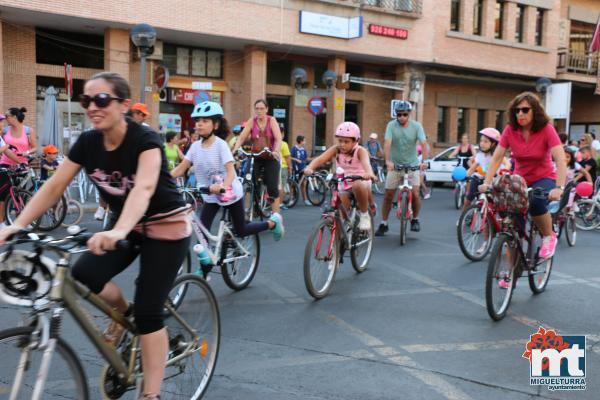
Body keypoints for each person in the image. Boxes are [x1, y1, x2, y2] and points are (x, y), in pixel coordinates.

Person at [0, 72, 191, 400]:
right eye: (86, 100)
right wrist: (18, 225)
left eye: (101, 99)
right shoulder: (87, 143)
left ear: (124, 105)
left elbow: (144, 188)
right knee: (84, 272)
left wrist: (117, 229)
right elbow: (55, 185)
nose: (92, 107)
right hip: (126, 226)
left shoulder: (145, 140)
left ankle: (151, 393)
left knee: (149, 312)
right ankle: (122, 315)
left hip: (166, 226)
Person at [171, 101, 283, 242]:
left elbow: (231, 172)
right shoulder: (195, 147)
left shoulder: (220, 145)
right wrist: (161, 177)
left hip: (229, 193)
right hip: (211, 195)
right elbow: (181, 168)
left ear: (216, 125)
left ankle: (272, 223)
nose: (199, 124)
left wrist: (223, 186)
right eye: (197, 121)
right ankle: (206, 263)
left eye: (205, 121)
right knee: (202, 232)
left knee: (241, 230)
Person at [479, 91, 566, 261]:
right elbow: (497, 157)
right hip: (520, 180)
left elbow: (560, 158)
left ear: (535, 111)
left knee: (535, 202)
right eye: (517, 110)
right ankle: (512, 273)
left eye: (525, 110)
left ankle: (549, 236)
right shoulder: (510, 130)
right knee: (512, 225)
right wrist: (487, 182)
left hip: (544, 177)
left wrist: (559, 187)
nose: (520, 113)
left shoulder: (546, 129)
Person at [303, 122, 375, 231]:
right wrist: (310, 167)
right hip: (344, 182)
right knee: (342, 211)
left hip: (361, 179)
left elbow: (366, 164)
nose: (342, 144)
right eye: (340, 141)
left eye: (346, 142)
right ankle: (344, 234)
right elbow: (321, 159)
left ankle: (365, 215)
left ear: (356, 141)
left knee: (358, 185)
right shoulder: (336, 149)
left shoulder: (360, 151)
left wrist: (369, 173)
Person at [375, 101, 429, 236]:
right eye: (399, 115)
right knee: (388, 195)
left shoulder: (417, 126)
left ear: (409, 114)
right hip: (395, 165)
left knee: (416, 193)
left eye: (404, 114)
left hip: (412, 165)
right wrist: (388, 161)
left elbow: (424, 144)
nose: (401, 117)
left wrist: (425, 161)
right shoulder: (391, 126)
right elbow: (387, 143)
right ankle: (384, 223)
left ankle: (415, 219)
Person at [232, 99, 284, 216]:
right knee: (248, 182)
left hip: (270, 157)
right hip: (256, 156)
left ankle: (276, 217)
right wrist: (234, 149)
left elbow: (278, 138)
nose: (259, 111)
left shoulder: (272, 120)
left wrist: (275, 150)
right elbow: (241, 137)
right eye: (257, 109)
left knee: (272, 188)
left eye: (261, 108)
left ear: (266, 109)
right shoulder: (252, 121)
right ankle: (246, 212)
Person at [0, 107, 38, 227]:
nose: (5, 119)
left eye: (7, 117)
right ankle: (2, 222)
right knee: (4, 195)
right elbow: (4, 148)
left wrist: (26, 154)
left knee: (20, 194)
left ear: (14, 117)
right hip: (6, 164)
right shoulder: (5, 130)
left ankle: (20, 222)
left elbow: (35, 147)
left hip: (22, 165)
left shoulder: (28, 130)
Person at [464, 128, 510, 210]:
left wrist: (503, 172)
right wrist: (465, 176)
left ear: (493, 144)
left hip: (493, 181)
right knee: (467, 200)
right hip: (478, 179)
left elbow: (508, 164)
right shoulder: (480, 155)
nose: (482, 143)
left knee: (497, 204)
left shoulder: (497, 155)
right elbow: (472, 169)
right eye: (481, 141)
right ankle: (464, 219)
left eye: (485, 141)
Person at [291, 135, 310, 205]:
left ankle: (305, 199)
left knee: (303, 184)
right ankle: (292, 198)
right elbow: (290, 157)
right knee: (293, 185)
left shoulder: (303, 150)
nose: (305, 142)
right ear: (301, 141)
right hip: (295, 169)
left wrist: (315, 159)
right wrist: (296, 159)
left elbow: (306, 159)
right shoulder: (294, 149)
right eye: (304, 140)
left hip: (302, 169)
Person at [279, 137, 293, 210]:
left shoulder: (270, 142)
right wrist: (290, 167)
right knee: (281, 186)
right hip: (282, 166)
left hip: (272, 166)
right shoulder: (283, 144)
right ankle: (280, 204)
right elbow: (287, 157)